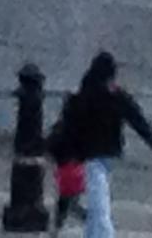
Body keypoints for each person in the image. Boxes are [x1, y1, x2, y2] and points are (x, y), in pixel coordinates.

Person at [58, 52, 152, 238]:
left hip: (87, 155)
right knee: (99, 204)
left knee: (97, 203)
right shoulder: (117, 96)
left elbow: (69, 127)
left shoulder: (84, 95)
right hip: (106, 154)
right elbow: (140, 124)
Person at [47, 99, 87, 236]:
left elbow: (51, 145)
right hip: (77, 167)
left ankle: (57, 227)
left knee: (64, 200)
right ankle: (89, 218)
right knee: (71, 200)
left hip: (65, 168)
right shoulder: (81, 128)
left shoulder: (61, 128)